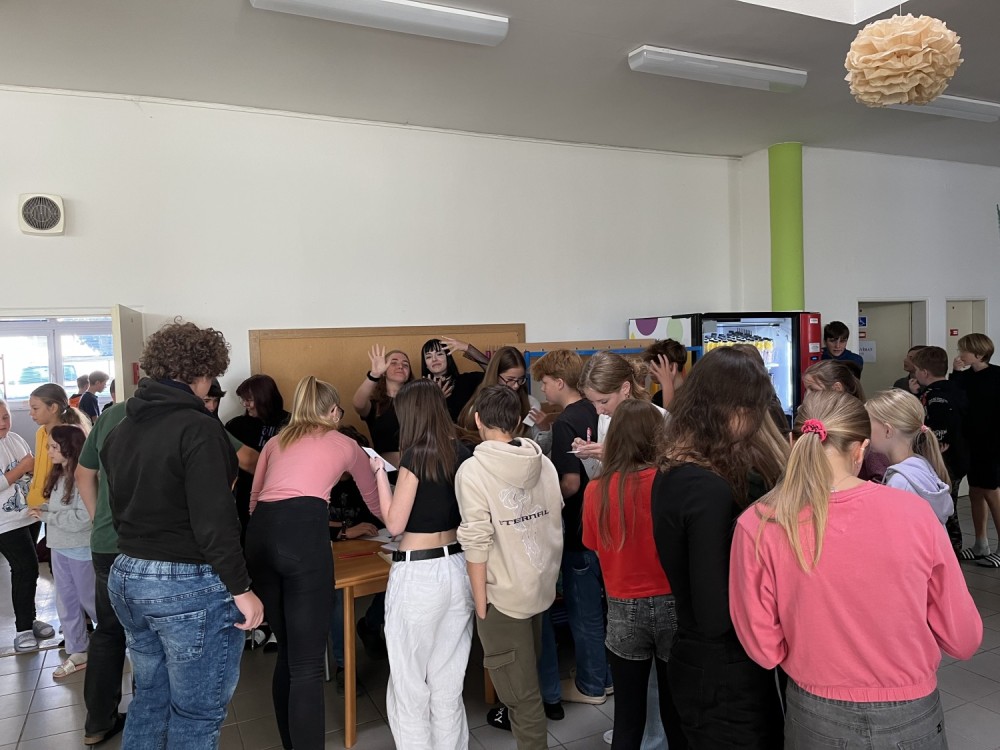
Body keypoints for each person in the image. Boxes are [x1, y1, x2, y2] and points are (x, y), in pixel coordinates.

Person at [730, 390, 983, 748]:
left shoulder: (757, 523)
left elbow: (764, 648)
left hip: (815, 713)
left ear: (793, 441)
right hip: (910, 712)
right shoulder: (915, 514)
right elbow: (963, 638)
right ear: (861, 450)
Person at [101, 320, 264, 749]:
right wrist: (242, 588)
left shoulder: (121, 429)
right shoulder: (200, 428)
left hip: (127, 575)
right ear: (204, 372)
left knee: (150, 700)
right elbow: (215, 522)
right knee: (196, 714)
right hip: (185, 583)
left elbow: (119, 509)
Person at [651, 347, 785, 747]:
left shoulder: (674, 468)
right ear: (734, 410)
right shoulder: (708, 488)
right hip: (722, 669)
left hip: (697, 658)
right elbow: (715, 615)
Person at [246, 376, 381, 750]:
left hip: (260, 537)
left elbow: (254, 502)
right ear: (334, 411)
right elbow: (376, 504)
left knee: (289, 655)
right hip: (303, 534)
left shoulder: (275, 442)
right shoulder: (344, 443)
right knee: (306, 666)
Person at [456, 385, 564, 750]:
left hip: (502, 596)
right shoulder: (543, 462)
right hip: (539, 586)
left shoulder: (473, 471)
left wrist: (480, 603)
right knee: (526, 683)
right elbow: (554, 517)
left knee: (521, 697)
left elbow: (476, 542)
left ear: (477, 420)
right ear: (518, 420)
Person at [370, 379, 474, 750]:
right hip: (458, 565)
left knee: (409, 683)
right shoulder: (462, 452)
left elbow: (395, 523)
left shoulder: (415, 456)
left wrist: (379, 474)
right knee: (448, 681)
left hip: (418, 573)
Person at [581, 400, 684, 750]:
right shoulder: (672, 482)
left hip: (623, 605)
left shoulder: (597, 489)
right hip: (672, 601)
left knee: (627, 718)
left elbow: (595, 547)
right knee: (676, 714)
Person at [529, 350, 606, 708]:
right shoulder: (597, 409)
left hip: (579, 527)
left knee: (584, 611)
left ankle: (592, 684)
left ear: (560, 382)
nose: (543, 389)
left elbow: (571, 483)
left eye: (545, 382)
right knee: (604, 610)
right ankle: (604, 677)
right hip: (606, 524)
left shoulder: (565, 424)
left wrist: (541, 504)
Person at [77, 398, 129, 746]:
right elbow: (243, 459)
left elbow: (83, 474)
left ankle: (97, 722)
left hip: (107, 544)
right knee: (154, 637)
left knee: (108, 632)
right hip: (153, 546)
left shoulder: (111, 415)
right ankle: (151, 718)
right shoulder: (186, 412)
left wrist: (100, 520)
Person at [31, 424, 96, 679]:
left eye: (54, 447)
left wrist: (48, 516)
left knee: (90, 600)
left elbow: (84, 519)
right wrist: (44, 511)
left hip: (81, 550)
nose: (48, 452)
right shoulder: (59, 476)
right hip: (58, 548)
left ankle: (113, 640)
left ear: (70, 448)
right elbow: (61, 511)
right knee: (66, 601)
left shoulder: (84, 477)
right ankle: (77, 649)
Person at [0, 399, 54, 653]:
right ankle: (22, 629)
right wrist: (23, 467)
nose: (3, 423)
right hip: (5, 521)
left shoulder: (15, 439)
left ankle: (30, 619)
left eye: (5, 417)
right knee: (25, 567)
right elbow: (24, 467)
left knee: (29, 571)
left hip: (28, 515)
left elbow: (32, 471)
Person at [865, 389, 953, 525]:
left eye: (868, 425)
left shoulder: (900, 483)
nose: (865, 432)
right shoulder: (920, 464)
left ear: (888, 430)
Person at [950, 333, 1000, 568]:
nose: (961, 354)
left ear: (979, 354)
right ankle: (981, 543)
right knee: (975, 491)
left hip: (992, 443)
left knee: (991, 492)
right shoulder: (965, 377)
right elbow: (955, 399)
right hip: (971, 443)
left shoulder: (997, 376)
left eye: (965, 350)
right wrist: (956, 373)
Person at [912, 346, 969, 552]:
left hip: (946, 460)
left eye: (916, 370)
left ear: (924, 372)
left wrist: (933, 444)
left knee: (945, 505)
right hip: (959, 456)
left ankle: (952, 548)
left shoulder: (936, 396)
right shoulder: (954, 388)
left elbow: (940, 427)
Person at [225, 374, 290, 544]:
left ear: (264, 397)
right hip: (244, 496)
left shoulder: (290, 425)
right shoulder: (235, 426)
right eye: (243, 399)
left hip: (280, 496)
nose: (245, 404)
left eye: (249, 399)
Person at [803, 360, 890, 483]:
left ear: (837, 388)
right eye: (806, 390)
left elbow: (881, 476)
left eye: (814, 390)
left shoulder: (860, 423)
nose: (807, 396)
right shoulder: (816, 422)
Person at [458, 346, 552, 453]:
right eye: (510, 379)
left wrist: (545, 430)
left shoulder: (531, 404)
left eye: (520, 379)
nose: (516, 385)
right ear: (495, 375)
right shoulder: (476, 407)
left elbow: (540, 451)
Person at [26, 383, 89, 510]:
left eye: (35, 408)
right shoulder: (40, 432)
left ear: (53, 407)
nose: (30, 413)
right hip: (37, 504)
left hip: (57, 506)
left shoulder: (69, 437)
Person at [352, 345, 413, 471]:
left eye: (405, 364)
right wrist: (374, 375)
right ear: (384, 370)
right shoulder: (375, 404)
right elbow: (358, 404)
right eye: (393, 363)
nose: (400, 366)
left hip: (416, 471)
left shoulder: (417, 402)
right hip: (385, 472)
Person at [420, 337, 489, 421]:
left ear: (448, 358)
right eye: (428, 357)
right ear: (426, 365)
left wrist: (467, 348)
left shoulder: (466, 381)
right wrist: (436, 400)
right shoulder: (419, 390)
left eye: (439, 354)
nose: (434, 359)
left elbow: (494, 372)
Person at [641, 339, 687, 409]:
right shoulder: (658, 398)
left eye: (656, 364)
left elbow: (670, 415)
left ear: (671, 366)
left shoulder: (691, 397)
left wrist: (666, 385)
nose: (650, 370)